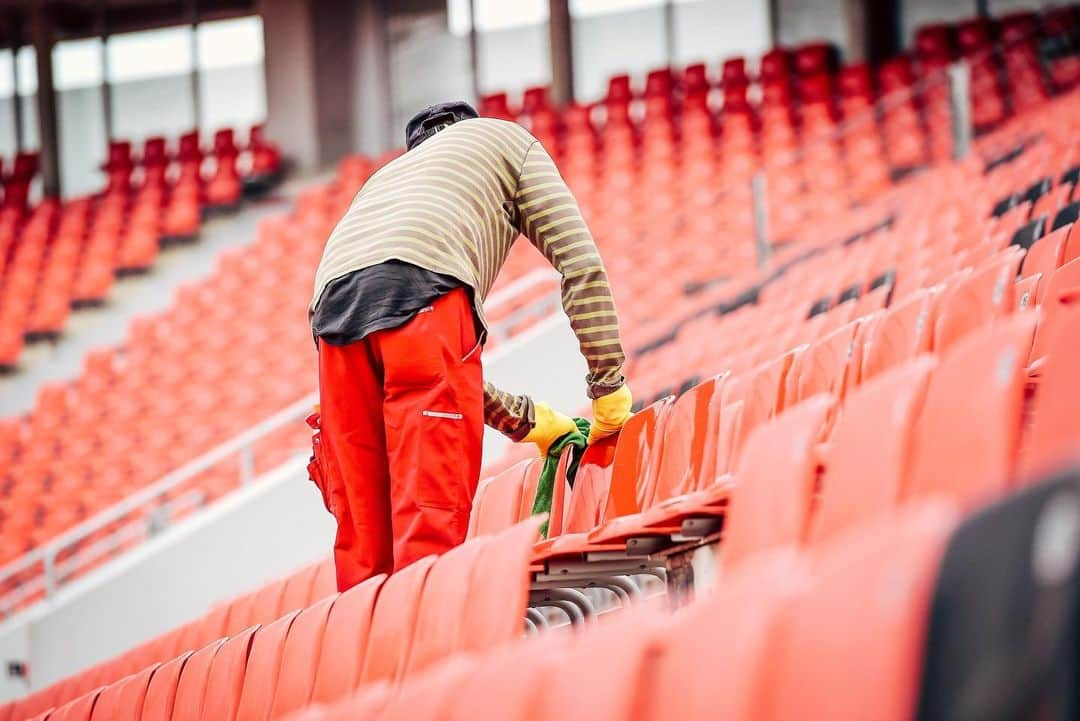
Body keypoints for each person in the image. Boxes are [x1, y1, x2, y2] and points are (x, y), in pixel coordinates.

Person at [308, 101, 632, 591]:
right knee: (427, 535)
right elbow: (581, 264)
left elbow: (433, 372)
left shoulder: (385, 182)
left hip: (331, 317)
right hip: (424, 289)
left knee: (364, 548)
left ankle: (381, 662)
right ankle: (438, 662)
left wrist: (529, 422)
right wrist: (608, 387)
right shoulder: (508, 141)